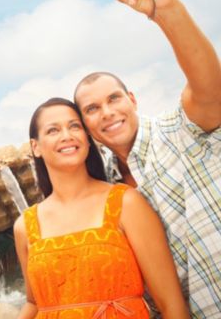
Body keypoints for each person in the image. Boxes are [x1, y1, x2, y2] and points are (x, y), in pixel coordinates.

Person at [73, 0, 221, 317]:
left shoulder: (179, 130)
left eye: (114, 99)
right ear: (85, 125)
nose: (107, 112)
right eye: (92, 109)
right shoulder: (103, 190)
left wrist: (164, 10)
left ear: (133, 99)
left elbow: (211, 89)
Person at [14, 97, 189, 319]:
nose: (66, 136)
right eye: (53, 130)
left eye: (74, 126)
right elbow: (33, 302)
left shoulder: (125, 203)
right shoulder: (25, 225)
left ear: (87, 139)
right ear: (35, 147)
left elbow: (171, 305)